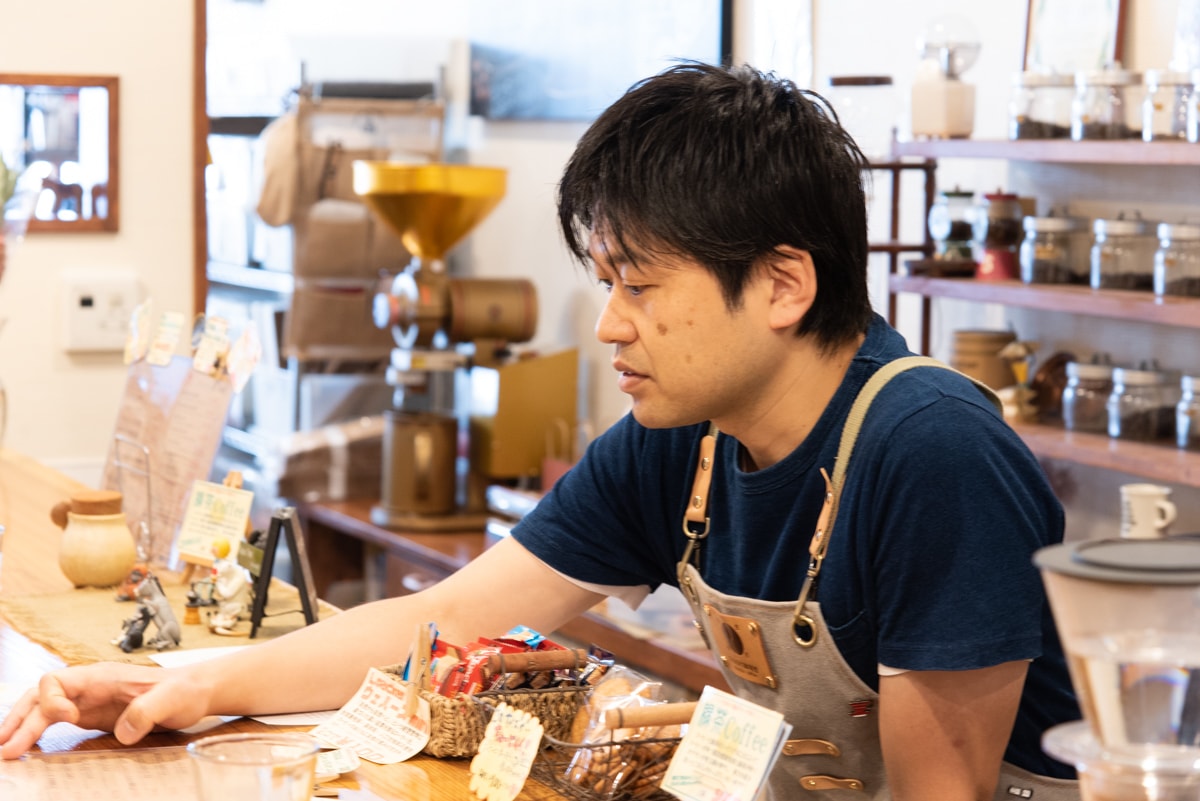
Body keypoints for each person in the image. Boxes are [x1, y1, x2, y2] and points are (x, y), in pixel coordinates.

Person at [0, 63, 1079, 800]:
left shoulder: (930, 453)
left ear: (785, 283)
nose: (610, 325)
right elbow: (449, 618)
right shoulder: (683, 441)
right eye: (606, 280)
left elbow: (941, 792)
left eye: (641, 286)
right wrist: (187, 687)